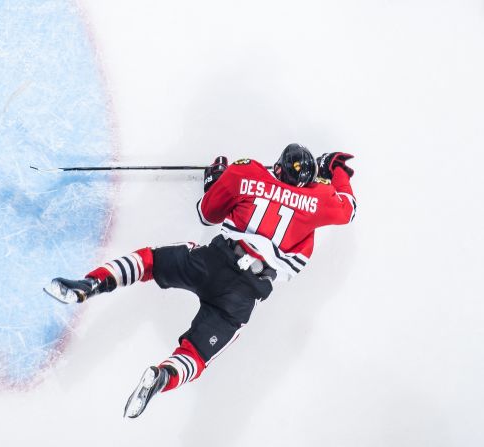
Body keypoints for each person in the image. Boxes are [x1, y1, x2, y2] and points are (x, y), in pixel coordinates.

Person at [45, 144, 357, 418]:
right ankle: (163, 377)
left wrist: (217, 181)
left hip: (214, 262)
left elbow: (207, 215)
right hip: (244, 296)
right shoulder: (322, 199)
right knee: (197, 354)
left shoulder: (246, 172)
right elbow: (349, 207)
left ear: (277, 166)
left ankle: (91, 284)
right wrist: (337, 167)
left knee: (149, 262)